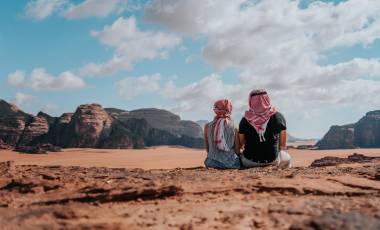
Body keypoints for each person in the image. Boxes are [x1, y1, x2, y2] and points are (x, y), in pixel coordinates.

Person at [237, 89, 291, 168]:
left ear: (250, 101)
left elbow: (241, 144)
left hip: (249, 162)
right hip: (273, 161)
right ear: (267, 99)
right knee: (287, 158)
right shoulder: (278, 117)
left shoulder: (245, 120)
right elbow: (282, 145)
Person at [204, 99, 241, 169]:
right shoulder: (234, 126)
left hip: (210, 163)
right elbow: (237, 151)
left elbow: (207, 149)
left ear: (215, 110)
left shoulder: (207, 126)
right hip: (231, 164)